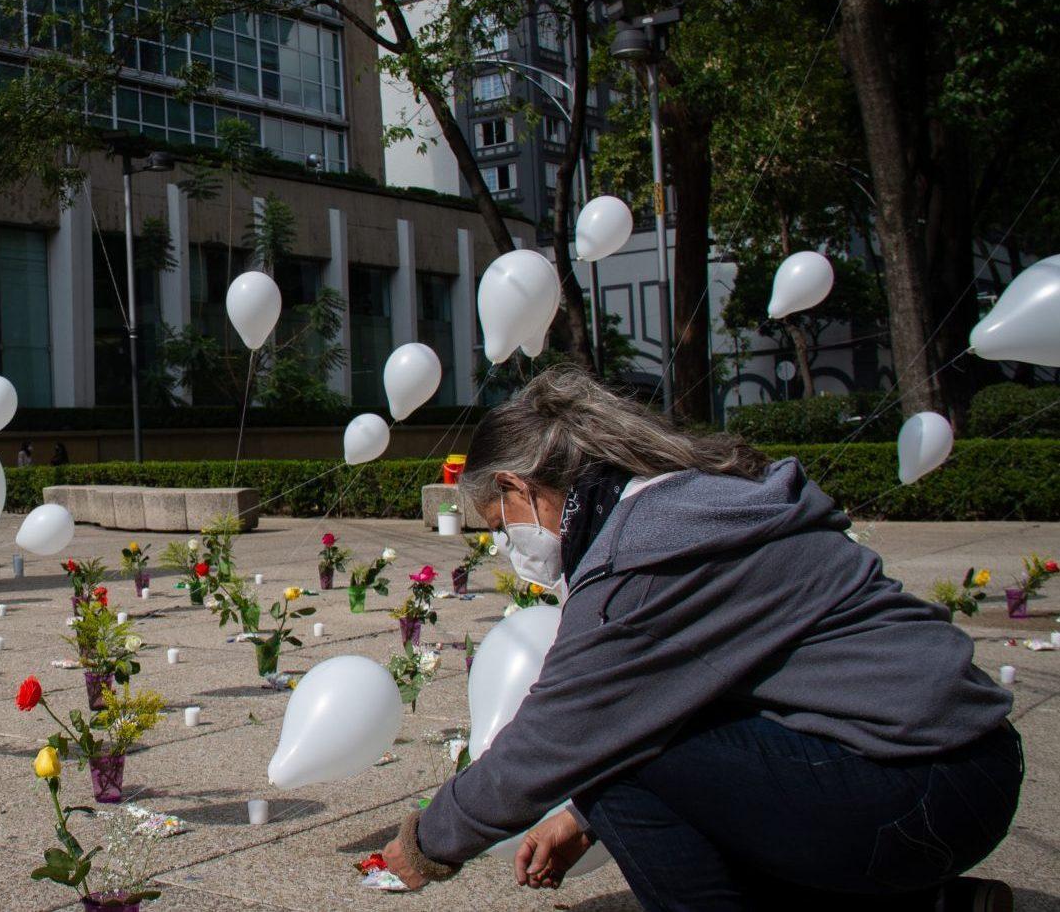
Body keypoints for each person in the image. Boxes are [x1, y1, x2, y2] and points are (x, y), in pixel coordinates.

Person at [379, 367, 1020, 911]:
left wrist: (423, 847)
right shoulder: (694, 499)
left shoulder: (637, 560)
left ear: (518, 488)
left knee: (613, 751)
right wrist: (583, 820)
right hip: (966, 760)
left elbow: (555, 739)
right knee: (645, 732)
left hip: (919, 789)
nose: (505, 544)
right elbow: (703, 688)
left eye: (499, 525)